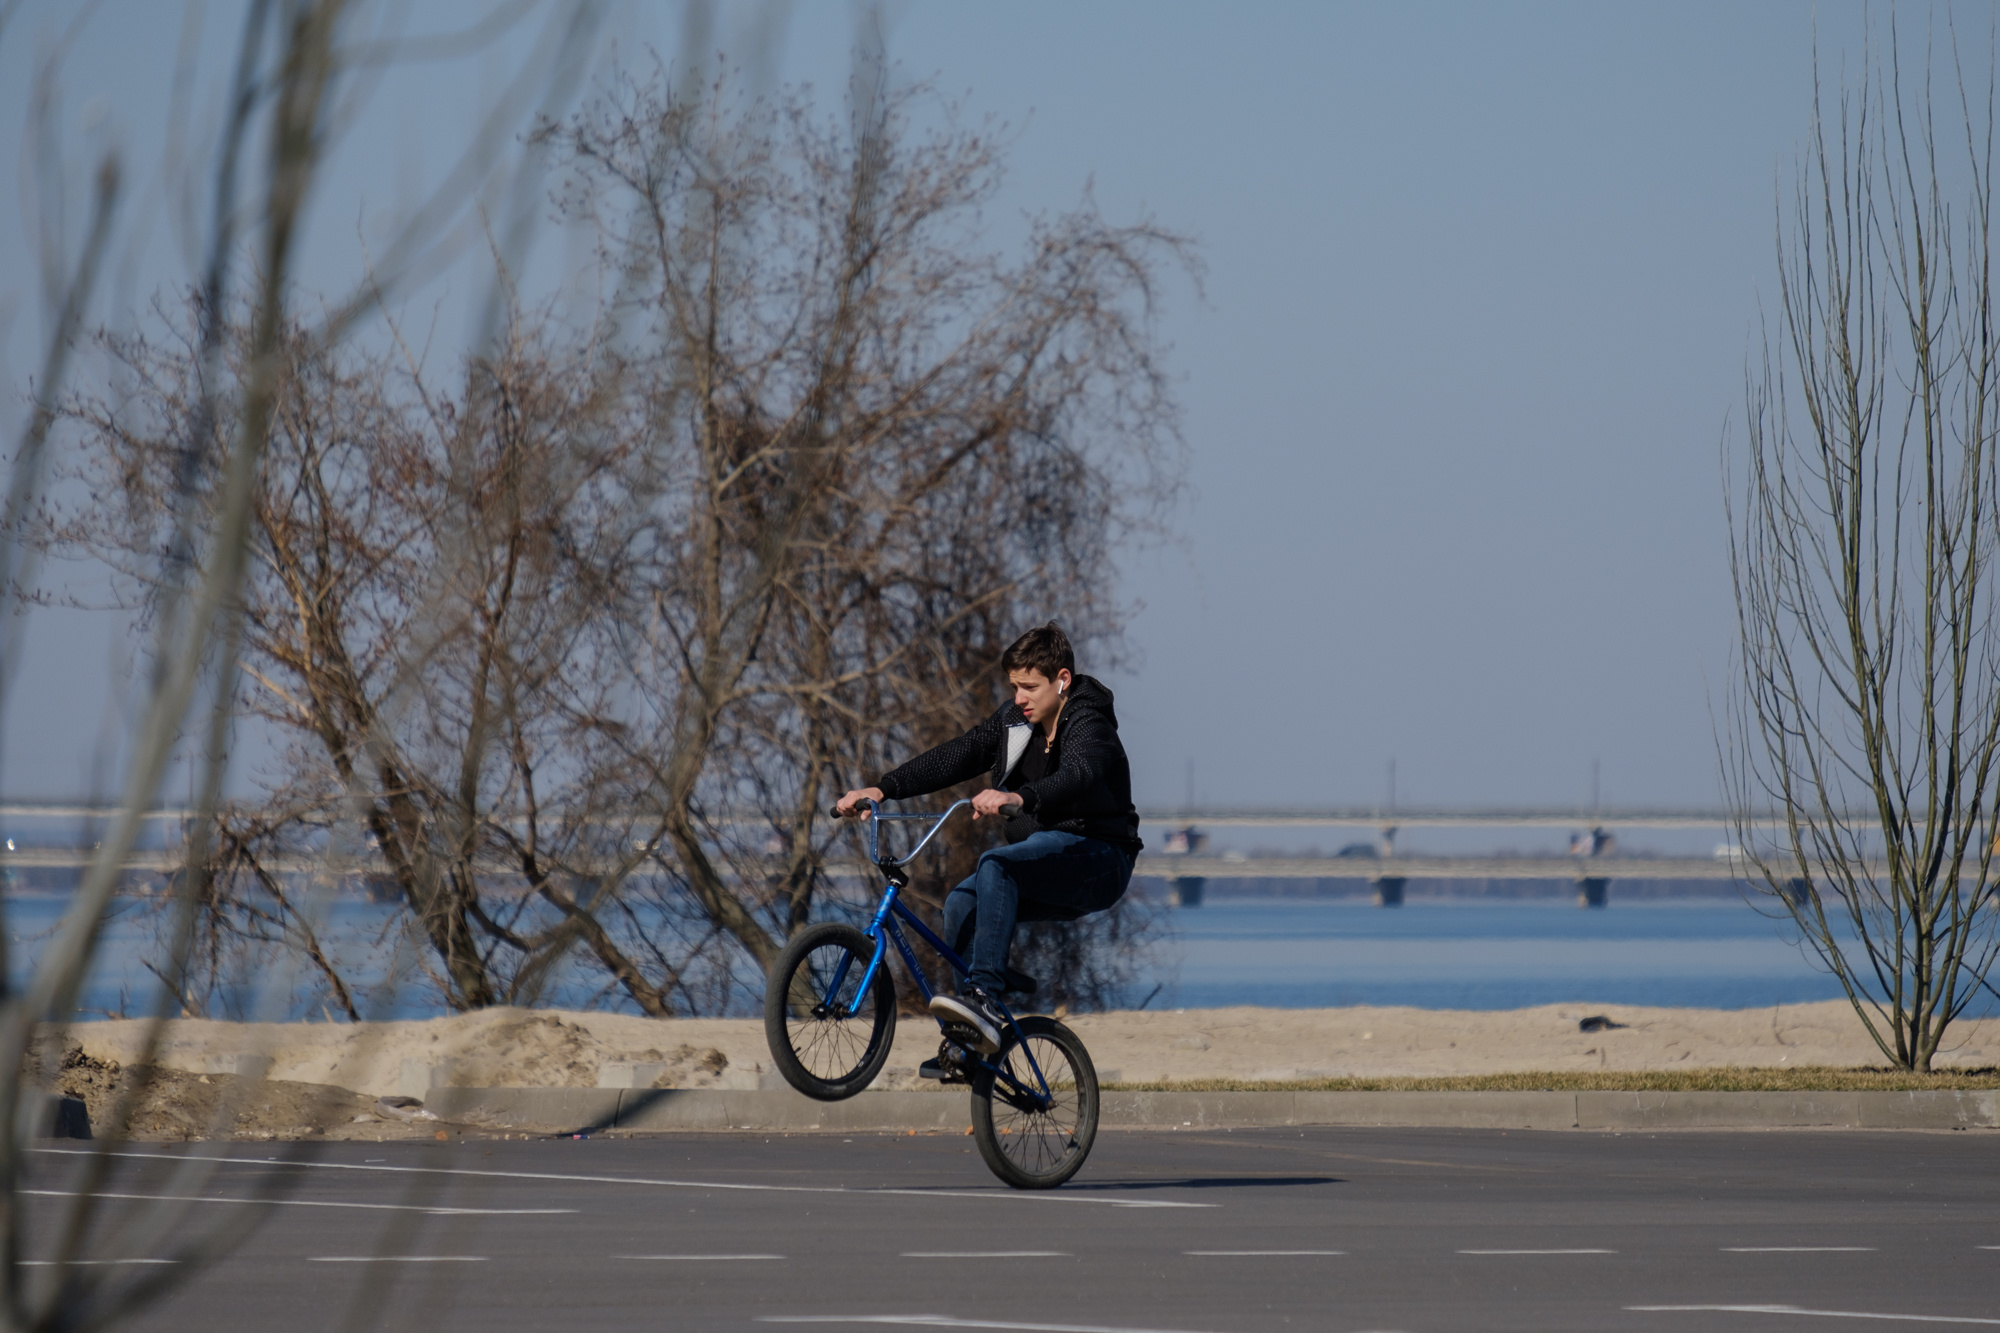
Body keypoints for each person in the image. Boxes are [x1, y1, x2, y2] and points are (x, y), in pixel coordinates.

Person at [834, 622, 1142, 1058]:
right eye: (1015, 687)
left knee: (996, 866)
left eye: (1029, 687)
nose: (1019, 698)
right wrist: (884, 788)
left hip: (1100, 858)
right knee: (962, 901)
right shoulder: (1015, 723)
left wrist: (1019, 796)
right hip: (1049, 858)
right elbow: (958, 754)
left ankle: (984, 1001)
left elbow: (1079, 774)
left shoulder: (1089, 722)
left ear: (1062, 680)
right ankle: (973, 1037)